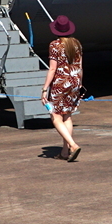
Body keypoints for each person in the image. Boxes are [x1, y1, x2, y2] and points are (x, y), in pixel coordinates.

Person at [40, 15, 83, 162]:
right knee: (67, 116)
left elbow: (53, 69)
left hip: (60, 83)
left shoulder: (55, 45)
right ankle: (65, 152)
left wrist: (45, 89)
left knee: (55, 116)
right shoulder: (77, 43)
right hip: (75, 81)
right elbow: (80, 66)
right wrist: (79, 85)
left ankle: (72, 145)